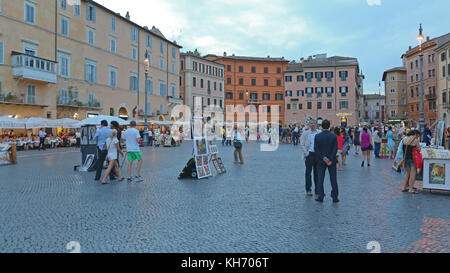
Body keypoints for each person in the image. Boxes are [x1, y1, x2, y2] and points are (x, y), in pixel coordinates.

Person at [314, 119, 339, 203]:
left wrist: (324, 158)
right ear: (329, 126)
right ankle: (335, 196)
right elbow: (335, 149)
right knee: (333, 179)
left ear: (321, 126)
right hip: (331, 161)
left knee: (320, 179)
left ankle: (321, 196)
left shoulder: (317, 136)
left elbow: (316, 150)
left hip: (321, 161)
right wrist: (330, 159)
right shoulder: (333, 136)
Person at [300, 119, 320, 196]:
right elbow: (302, 144)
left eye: (314, 123)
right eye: (311, 123)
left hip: (317, 155)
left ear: (316, 124)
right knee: (308, 173)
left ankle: (318, 189)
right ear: (309, 124)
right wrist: (306, 153)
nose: (313, 125)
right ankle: (308, 189)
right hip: (309, 155)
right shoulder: (305, 133)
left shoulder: (319, 133)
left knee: (317, 173)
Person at [401, 130, 421, 194]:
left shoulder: (404, 139)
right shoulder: (415, 140)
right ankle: (411, 189)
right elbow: (419, 149)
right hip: (412, 158)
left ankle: (404, 187)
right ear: (415, 134)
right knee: (413, 174)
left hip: (405, 158)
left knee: (407, 173)